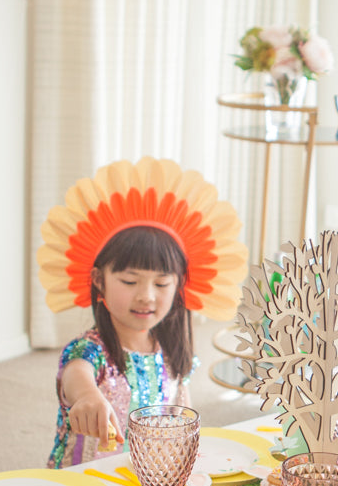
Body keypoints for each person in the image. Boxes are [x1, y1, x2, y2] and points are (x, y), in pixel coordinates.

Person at [37, 157, 249, 469]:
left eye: (161, 283)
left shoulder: (171, 352)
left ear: (179, 285)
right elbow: (76, 375)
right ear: (99, 280)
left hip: (149, 477)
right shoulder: (90, 351)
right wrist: (88, 397)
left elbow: (183, 418)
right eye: (129, 281)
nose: (146, 296)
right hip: (87, 482)